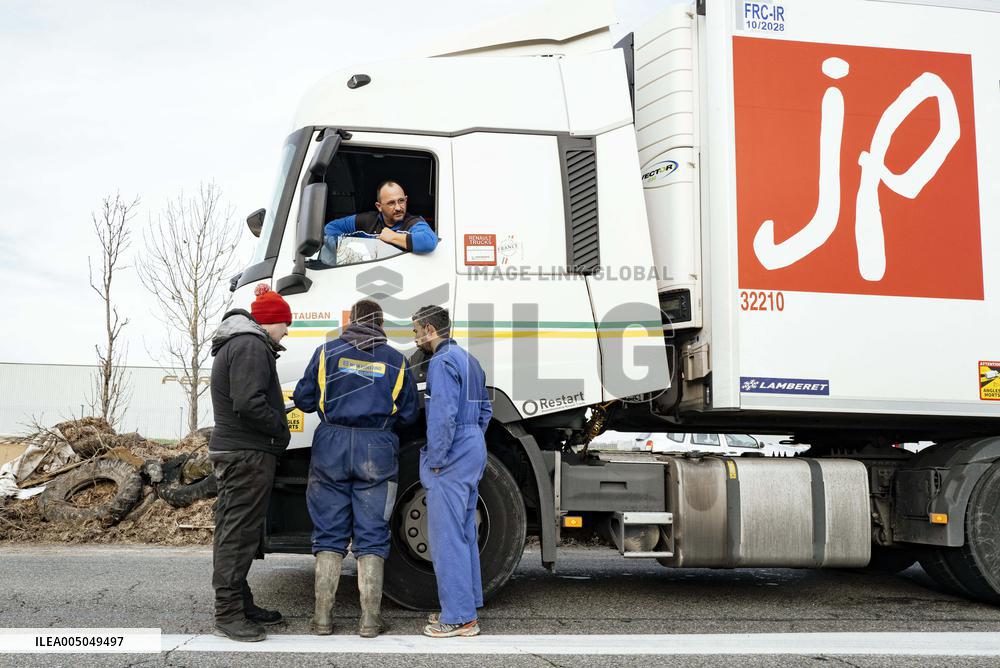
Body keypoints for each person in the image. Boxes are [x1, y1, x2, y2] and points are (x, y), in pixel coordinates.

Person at [293, 299, 419, 637]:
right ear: (380, 324)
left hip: (330, 445)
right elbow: (409, 413)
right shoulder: (397, 360)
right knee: (372, 534)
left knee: (330, 533)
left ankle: (322, 619)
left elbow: (304, 400)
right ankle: (370, 620)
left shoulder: (326, 353)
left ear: (352, 320)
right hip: (376, 446)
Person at [208, 283, 293, 642]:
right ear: (270, 322)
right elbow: (248, 403)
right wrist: (279, 427)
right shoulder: (250, 345)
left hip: (239, 451)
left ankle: (240, 603)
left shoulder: (242, 343)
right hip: (246, 453)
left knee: (236, 531)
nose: (287, 331)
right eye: (285, 324)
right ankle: (228, 614)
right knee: (238, 535)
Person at [411, 305, 492, 638]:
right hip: (473, 444)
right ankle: (467, 605)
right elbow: (486, 409)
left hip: (453, 448)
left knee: (446, 538)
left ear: (430, 329)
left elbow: (441, 416)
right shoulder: (469, 360)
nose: (414, 337)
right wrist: (473, 438)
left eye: (416, 330)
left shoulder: (441, 363)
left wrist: (438, 458)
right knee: (464, 532)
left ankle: (459, 617)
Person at [322, 181, 438, 260]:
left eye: (401, 201)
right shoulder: (366, 220)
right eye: (391, 203)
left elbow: (429, 241)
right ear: (379, 206)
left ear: (406, 200)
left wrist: (392, 237)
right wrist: (346, 250)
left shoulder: (413, 222)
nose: (398, 208)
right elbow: (331, 228)